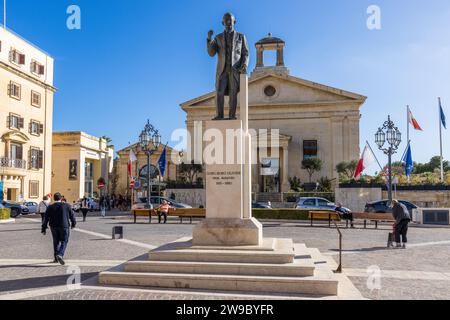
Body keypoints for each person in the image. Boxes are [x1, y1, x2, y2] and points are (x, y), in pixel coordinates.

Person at [41, 193, 77, 265]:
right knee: (64, 241)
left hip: (53, 226)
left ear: (54, 198)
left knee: (56, 241)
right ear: (61, 198)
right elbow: (72, 216)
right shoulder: (67, 205)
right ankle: (60, 254)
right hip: (64, 226)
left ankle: (55, 258)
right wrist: (73, 224)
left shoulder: (50, 207)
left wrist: (43, 228)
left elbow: (46, 218)